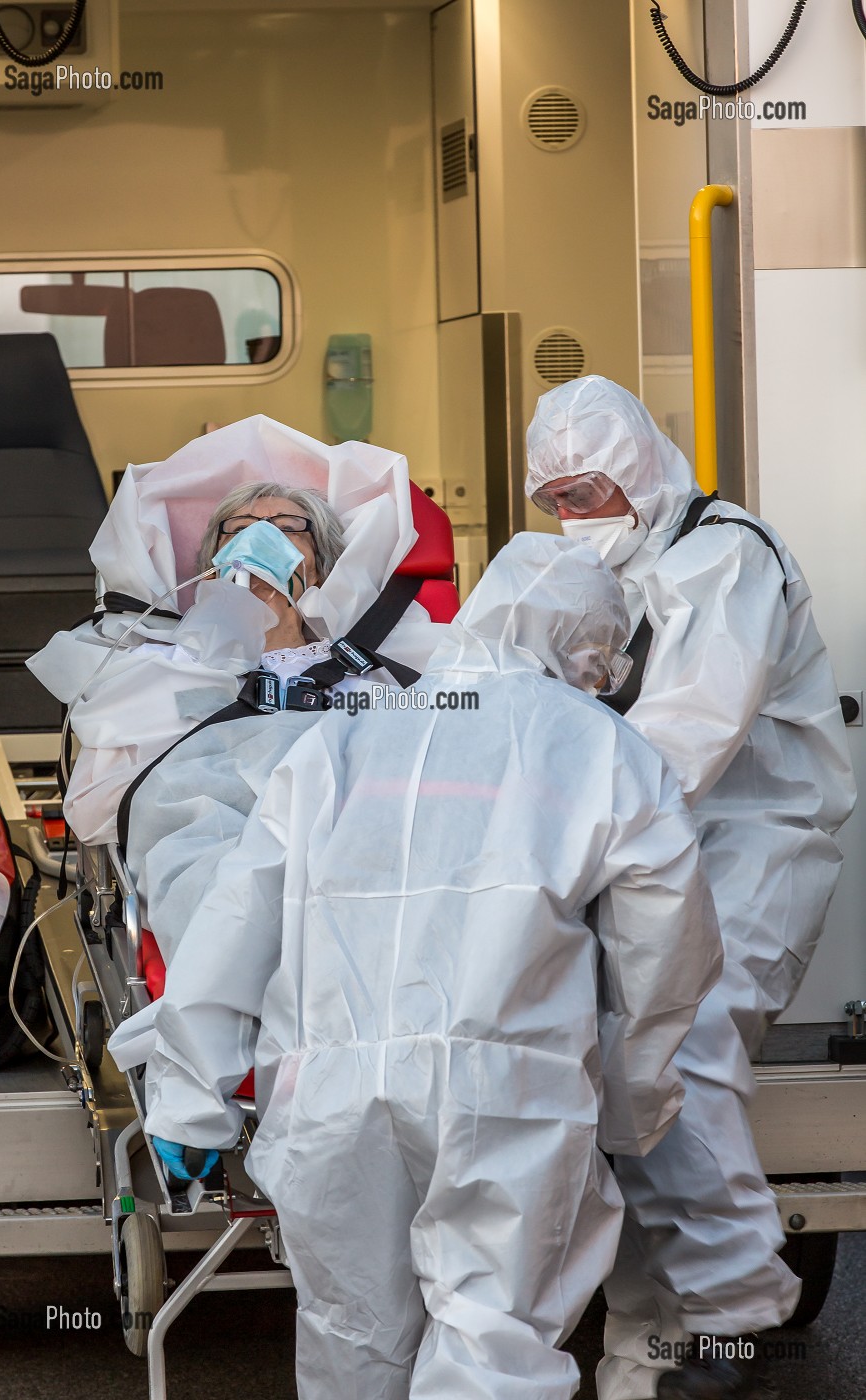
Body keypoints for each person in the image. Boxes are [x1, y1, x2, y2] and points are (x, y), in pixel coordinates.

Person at [124, 534, 723, 1400]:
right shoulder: (603, 748)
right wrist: (630, 1107)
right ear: (587, 652)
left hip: (325, 1090)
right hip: (507, 1092)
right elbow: (663, 958)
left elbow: (238, 917)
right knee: (492, 1344)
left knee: (351, 1341)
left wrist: (189, 1089)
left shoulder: (349, 731)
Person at [525, 375, 856, 1400]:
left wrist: (542, 818)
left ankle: (737, 1304)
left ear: (637, 467)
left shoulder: (725, 553)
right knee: (620, 1088)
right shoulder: (615, 567)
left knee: (686, 1043)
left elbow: (686, 734)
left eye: (590, 493)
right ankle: (646, 1347)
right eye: (558, 502)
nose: (577, 519)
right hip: (654, 857)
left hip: (749, 851)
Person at [28, 417, 447, 848]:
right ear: (211, 567)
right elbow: (100, 810)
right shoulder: (159, 671)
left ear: (322, 567)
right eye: (239, 530)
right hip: (220, 856)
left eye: (287, 530)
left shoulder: (372, 670)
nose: (259, 542)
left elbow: (432, 773)